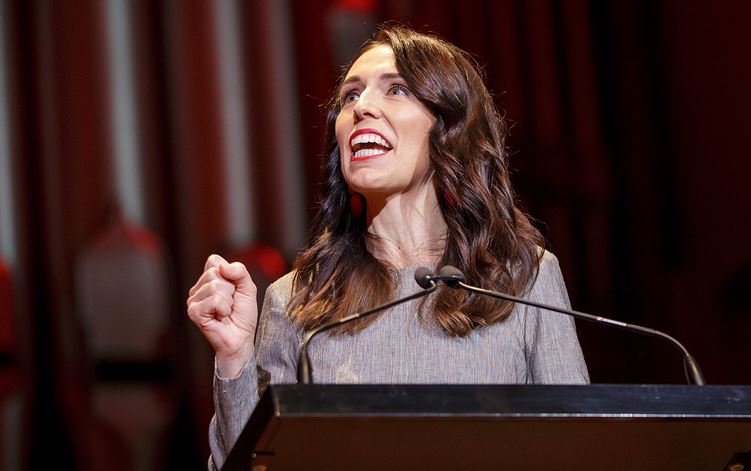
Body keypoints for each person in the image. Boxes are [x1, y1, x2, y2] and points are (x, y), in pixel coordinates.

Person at [186, 24, 589, 469]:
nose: (362, 109)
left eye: (396, 90)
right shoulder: (298, 299)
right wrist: (235, 357)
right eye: (350, 97)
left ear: (447, 126)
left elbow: (577, 451)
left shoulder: (523, 277)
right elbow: (249, 465)